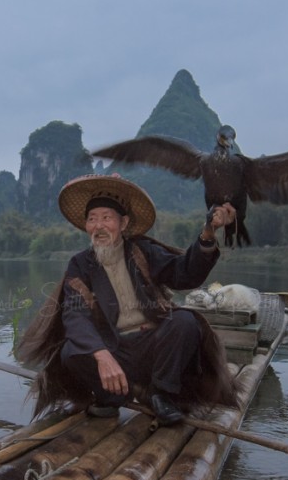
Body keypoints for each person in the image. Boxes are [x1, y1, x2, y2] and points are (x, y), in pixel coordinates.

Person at [17, 174, 239, 425]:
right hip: (114, 350)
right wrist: (101, 354)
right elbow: (74, 314)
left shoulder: (142, 251)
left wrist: (208, 233)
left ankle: (162, 394)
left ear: (123, 223)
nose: (98, 226)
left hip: (153, 347)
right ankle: (110, 397)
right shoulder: (80, 265)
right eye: (92, 219)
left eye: (106, 218)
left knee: (185, 322)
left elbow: (183, 274)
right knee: (71, 352)